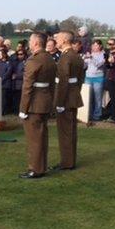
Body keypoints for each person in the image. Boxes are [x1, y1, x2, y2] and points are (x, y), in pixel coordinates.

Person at [18, 32, 56, 179]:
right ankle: (42, 166)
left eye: (30, 41)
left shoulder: (33, 60)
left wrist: (23, 108)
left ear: (35, 43)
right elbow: (52, 84)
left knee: (34, 138)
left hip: (34, 104)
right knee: (42, 136)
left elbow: (27, 87)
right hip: (45, 101)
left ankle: (35, 168)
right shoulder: (49, 59)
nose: (29, 43)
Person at [52, 31, 85, 171]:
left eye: (58, 38)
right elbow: (80, 79)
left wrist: (59, 102)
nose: (55, 40)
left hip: (65, 99)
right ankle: (69, 160)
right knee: (70, 131)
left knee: (65, 131)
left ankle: (67, 162)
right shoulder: (76, 56)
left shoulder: (66, 57)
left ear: (65, 40)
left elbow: (63, 81)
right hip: (73, 96)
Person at [84, 40, 106, 121]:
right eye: (92, 45)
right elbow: (84, 66)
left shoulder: (103, 55)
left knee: (97, 98)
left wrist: (91, 58)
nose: (93, 47)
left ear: (100, 46)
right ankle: (88, 114)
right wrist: (84, 59)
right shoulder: (90, 54)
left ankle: (97, 115)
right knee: (88, 97)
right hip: (88, 77)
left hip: (98, 78)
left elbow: (98, 64)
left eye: (96, 45)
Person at [0, 49, 13, 115]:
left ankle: (4, 111)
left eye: (0, 54)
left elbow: (8, 72)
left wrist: (2, 79)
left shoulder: (9, 63)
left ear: (4, 54)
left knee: (4, 98)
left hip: (5, 83)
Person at [12, 50, 27, 115]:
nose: (19, 56)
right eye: (18, 54)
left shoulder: (26, 62)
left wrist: (17, 76)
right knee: (16, 98)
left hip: (22, 83)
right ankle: (15, 110)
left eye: (21, 54)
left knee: (22, 98)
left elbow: (26, 73)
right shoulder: (15, 62)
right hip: (15, 84)